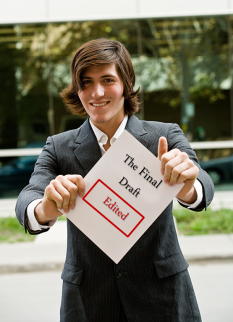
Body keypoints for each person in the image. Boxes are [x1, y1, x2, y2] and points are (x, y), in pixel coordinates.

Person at [16, 38, 214, 322]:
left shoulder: (164, 135)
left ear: (126, 83)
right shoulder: (59, 147)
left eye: (107, 79)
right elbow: (28, 199)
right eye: (85, 82)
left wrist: (186, 185)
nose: (96, 92)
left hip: (162, 297)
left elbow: (202, 185)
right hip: (89, 301)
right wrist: (46, 207)